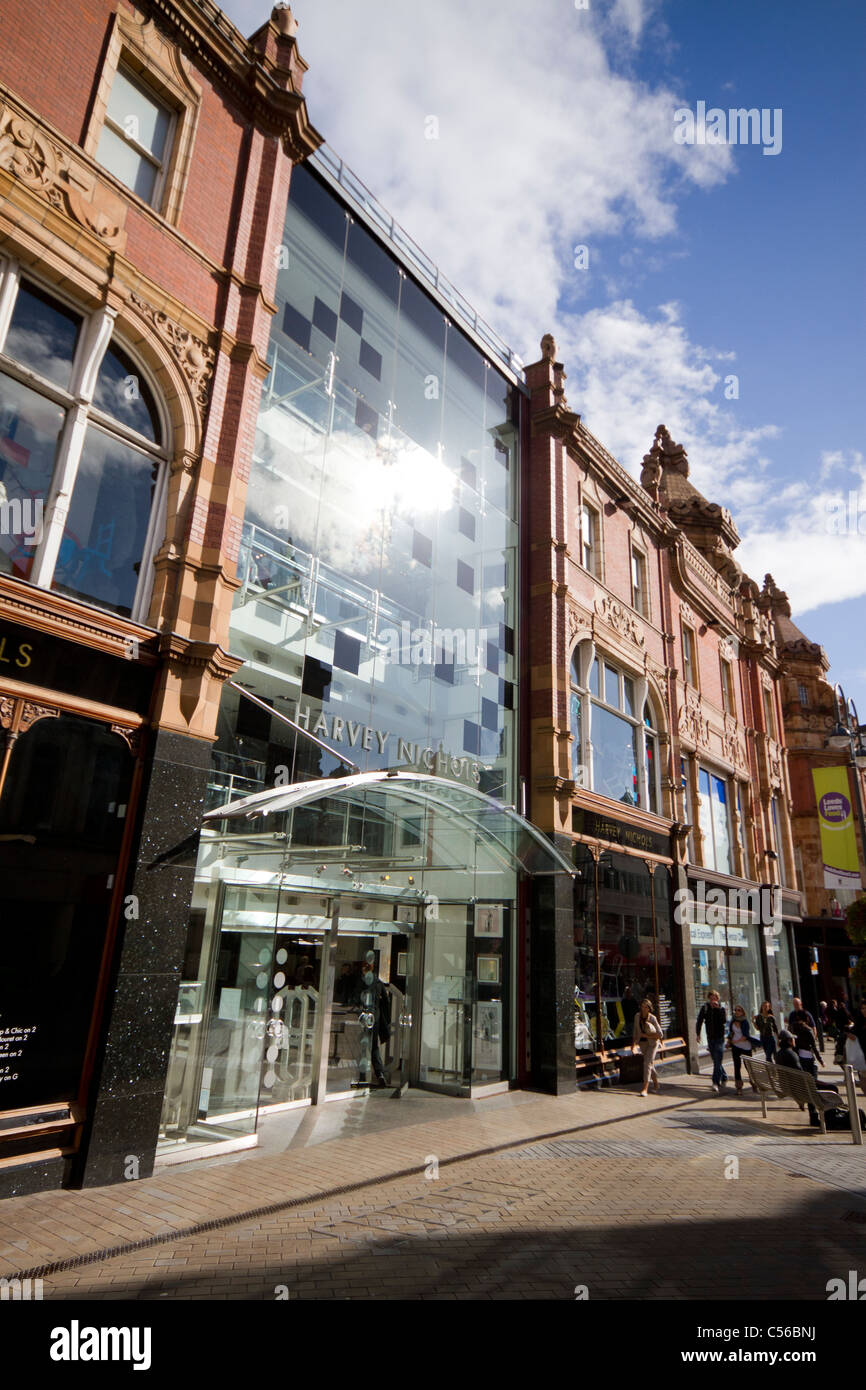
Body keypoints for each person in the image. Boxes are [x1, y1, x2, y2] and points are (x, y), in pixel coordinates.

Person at [696, 990, 728, 1094]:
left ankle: (715, 1082)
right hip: (710, 1038)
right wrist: (698, 1034)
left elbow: (724, 1021)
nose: (713, 1000)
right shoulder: (705, 1008)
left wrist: (718, 1009)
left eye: (715, 998)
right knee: (716, 1060)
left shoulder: (721, 1009)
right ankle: (724, 1076)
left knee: (717, 1060)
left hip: (719, 1038)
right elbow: (699, 1020)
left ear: (718, 999)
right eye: (711, 998)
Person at [632, 997, 663, 1097]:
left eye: (646, 1007)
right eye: (642, 1007)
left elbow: (660, 1034)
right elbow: (635, 1031)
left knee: (646, 1063)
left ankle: (645, 1088)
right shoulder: (637, 1016)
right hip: (643, 1044)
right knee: (649, 1064)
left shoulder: (652, 1018)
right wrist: (633, 1044)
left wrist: (647, 1036)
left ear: (649, 1008)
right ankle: (656, 1084)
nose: (643, 1009)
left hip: (653, 1043)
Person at [728, 1005, 759, 1094]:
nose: (737, 1012)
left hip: (745, 1047)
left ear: (742, 1012)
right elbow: (731, 1033)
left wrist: (736, 1041)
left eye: (739, 1010)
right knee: (737, 1066)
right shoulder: (732, 1021)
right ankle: (739, 1087)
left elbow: (745, 1036)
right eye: (735, 1010)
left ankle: (754, 1083)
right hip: (735, 1047)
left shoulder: (745, 1022)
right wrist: (729, 1041)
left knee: (748, 1066)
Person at [792, 1012, 821, 1078]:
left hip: (799, 1055)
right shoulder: (808, 1030)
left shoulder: (794, 1028)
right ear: (807, 1019)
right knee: (812, 1077)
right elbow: (814, 1046)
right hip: (808, 1056)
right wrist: (820, 1060)